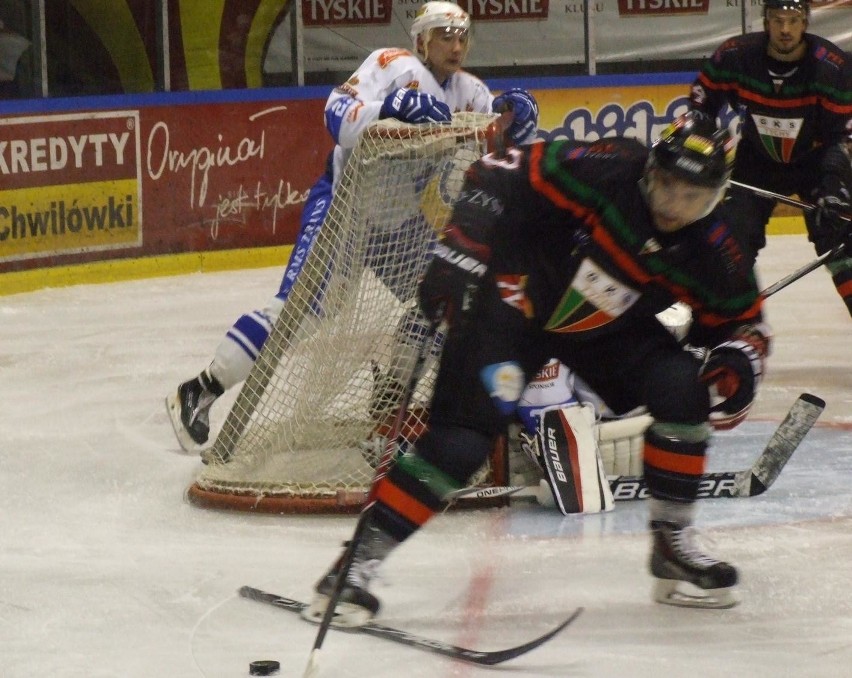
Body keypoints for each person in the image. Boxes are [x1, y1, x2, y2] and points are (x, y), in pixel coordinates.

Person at [305, 112, 769, 627]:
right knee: (461, 442)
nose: (675, 209)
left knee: (682, 389)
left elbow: (745, 325)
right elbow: (498, 168)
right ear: (650, 173)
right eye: (667, 189)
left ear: (715, 198)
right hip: (514, 303)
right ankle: (354, 564)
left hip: (602, 326)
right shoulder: (608, 167)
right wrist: (461, 251)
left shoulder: (718, 246)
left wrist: (736, 361)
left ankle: (672, 542)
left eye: (693, 198)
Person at [165, 1, 540, 451]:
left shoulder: (470, 91)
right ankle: (201, 389)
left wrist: (518, 122)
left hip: (401, 229)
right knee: (294, 316)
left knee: (448, 301)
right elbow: (335, 113)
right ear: (421, 40)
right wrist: (387, 108)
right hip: (344, 210)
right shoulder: (392, 64)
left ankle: (389, 400)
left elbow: (502, 141)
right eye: (444, 36)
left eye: (462, 37)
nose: (456, 46)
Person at [689, 0, 852, 315]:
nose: (786, 29)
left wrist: (834, 188)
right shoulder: (736, 56)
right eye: (778, 20)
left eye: (793, 20)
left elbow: (839, 138)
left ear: (805, 22)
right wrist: (704, 141)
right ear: (765, 22)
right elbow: (702, 101)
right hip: (756, 164)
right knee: (731, 242)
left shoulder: (832, 66)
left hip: (815, 163)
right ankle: (726, 328)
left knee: (844, 240)